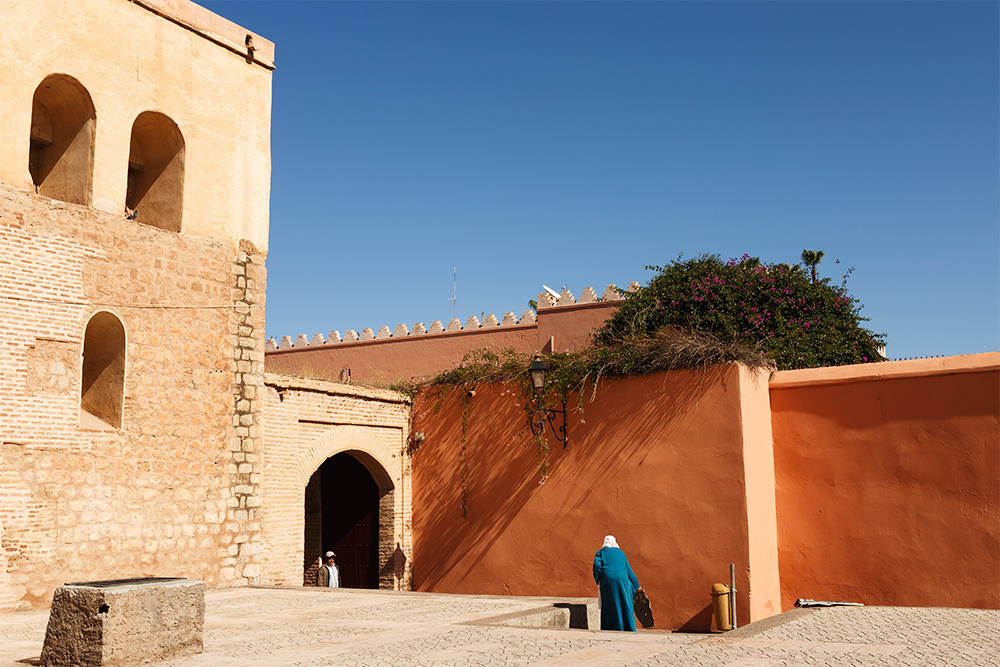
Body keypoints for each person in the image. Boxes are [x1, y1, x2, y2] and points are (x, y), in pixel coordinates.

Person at [593, 535, 641, 631]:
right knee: (625, 602)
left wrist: (598, 579)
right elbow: (629, 570)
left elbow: (596, 567)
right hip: (623, 581)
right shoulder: (621, 553)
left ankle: (610, 627)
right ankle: (628, 627)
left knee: (609, 604)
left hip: (607, 581)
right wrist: (637, 586)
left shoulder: (600, 553)